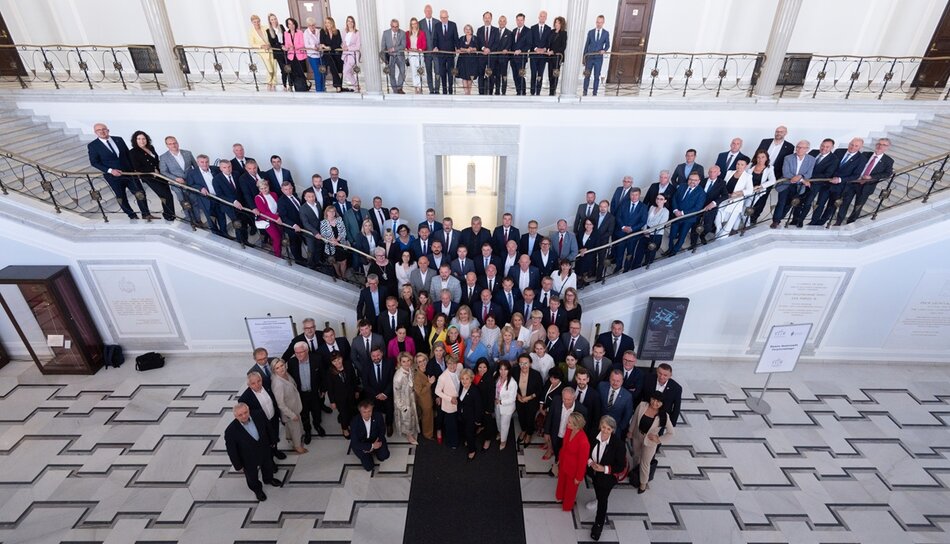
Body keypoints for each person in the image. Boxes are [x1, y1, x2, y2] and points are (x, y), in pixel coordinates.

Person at [87, 123, 154, 220]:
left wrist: (135, 170)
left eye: (104, 129)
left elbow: (128, 154)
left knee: (140, 193)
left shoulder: (119, 139)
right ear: (95, 132)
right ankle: (132, 216)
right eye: (98, 130)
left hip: (129, 173)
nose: (102, 131)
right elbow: (94, 162)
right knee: (121, 197)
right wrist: (110, 170)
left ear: (108, 130)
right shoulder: (93, 145)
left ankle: (146, 214)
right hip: (113, 176)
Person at [224, 403, 281, 501]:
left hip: (264, 449)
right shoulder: (230, 431)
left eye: (245, 412)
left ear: (249, 410)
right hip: (248, 458)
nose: (244, 416)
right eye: (240, 415)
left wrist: (273, 441)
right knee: (252, 476)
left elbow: (268, 427)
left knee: (268, 466)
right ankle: (257, 489)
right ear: (235, 416)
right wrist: (238, 465)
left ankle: (268, 479)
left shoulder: (258, 414)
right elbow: (232, 451)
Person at [836, 138, 894, 225]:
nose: (880, 146)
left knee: (858, 206)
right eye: (879, 143)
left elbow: (887, 173)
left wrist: (871, 177)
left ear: (888, 147)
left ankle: (850, 223)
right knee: (844, 203)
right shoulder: (865, 154)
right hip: (854, 182)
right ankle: (838, 221)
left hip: (867, 186)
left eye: (883, 145)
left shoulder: (888, 160)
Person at [809, 137, 866, 226]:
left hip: (841, 186)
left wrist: (840, 179)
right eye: (851, 144)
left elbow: (856, 175)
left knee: (831, 206)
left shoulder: (861, 159)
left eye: (856, 146)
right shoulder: (839, 151)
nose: (852, 147)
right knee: (819, 203)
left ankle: (822, 222)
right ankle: (813, 221)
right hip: (827, 183)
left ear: (860, 147)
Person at [587, 415, 626, 540]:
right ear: (600, 426)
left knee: (603, 500)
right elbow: (586, 451)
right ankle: (597, 498)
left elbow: (620, 466)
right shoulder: (593, 434)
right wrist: (590, 463)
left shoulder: (618, 444)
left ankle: (598, 524)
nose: (605, 430)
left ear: (612, 430)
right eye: (603, 427)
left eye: (608, 429)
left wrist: (604, 469)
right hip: (593, 473)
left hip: (607, 477)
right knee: (597, 489)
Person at [628, 391, 674, 493]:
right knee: (635, 456)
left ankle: (643, 484)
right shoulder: (642, 405)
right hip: (637, 436)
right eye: (653, 399)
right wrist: (630, 431)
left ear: (662, 403)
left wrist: (659, 439)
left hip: (650, 442)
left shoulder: (664, 416)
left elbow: (671, 433)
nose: (655, 403)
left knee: (645, 463)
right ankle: (635, 473)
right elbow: (635, 418)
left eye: (658, 401)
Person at [750, 125, 794, 224]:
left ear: (785, 133)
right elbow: (756, 155)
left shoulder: (789, 146)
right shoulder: (765, 141)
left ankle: (753, 218)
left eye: (781, 132)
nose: (778, 133)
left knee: (762, 197)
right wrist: (751, 169)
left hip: (772, 175)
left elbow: (785, 162)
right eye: (777, 131)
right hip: (757, 171)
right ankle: (744, 217)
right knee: (749, 193)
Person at [128, 130, 175, 222]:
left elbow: (156, 161)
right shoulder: (133, 152)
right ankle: (169, 216)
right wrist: (152, 170)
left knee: (168, 195)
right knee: (165, 195)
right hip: (150, 177)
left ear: (147, 139)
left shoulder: (151, 147)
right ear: (135, 140)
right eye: (139, 139)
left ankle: (169, 214)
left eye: (143, 138)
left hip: (160, 175)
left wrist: (162, 170)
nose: (142, 141)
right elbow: (137, 167)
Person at [238, 371, 285, 460]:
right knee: (266, 442)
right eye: (253, 383)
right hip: (262, 424)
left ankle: (275, 451)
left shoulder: (267, 384)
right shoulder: (245, 398)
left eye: (259, 381)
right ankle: (270, 460)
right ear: (249, 385)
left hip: (273, 417)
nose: (257, 384)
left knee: (274, 436)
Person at [286, 341, 326, 442]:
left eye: (301, 352)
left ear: (307, 350)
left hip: (314, 393)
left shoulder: (317, 359)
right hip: (300, 395)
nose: (298, 355)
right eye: (296, 352)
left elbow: (323, 376)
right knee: (304, 413)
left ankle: (317, 425)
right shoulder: (291, 362)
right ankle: (307, 430)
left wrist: (323, 389)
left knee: (316, 411)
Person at [773, 140, 816, 228]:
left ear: (807, 149)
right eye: (798, 147)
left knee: (790, 204)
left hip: (799, 187)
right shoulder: (788, 158)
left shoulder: (811, 159)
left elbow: (809, 174)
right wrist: (802, 179)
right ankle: (776, 221)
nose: (799, 149)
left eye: (802, 148)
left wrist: (800, 177)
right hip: (786, 184)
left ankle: (782, 218)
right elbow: (786, 173)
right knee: (781, 203)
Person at [796, 138, 837, 227]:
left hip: (818, 185)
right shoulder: (814, 152)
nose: (824, 148)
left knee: (808, 202)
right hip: (804, 182)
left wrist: (809, 177)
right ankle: (796, 219)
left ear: (832, 148)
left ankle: (803, 221)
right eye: (822, 145)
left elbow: (827, 174)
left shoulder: (834, 159)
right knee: (799, 200)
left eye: (827, 147)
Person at [158, 136, 200, 224]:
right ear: (167, 145)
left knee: (194, 201)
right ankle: (190, 220)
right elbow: (163, 172)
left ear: (177, 143)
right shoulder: (163, 157)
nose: (173, 145)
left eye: (174, 143)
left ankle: (198, 220)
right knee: (184, 203)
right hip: (177, 184)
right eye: (170, 144)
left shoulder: (187, 153)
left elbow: (196, 167)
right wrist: (175, 178)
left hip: (190, 182)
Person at [270, 359, 307, 454]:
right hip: (290, 411)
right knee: (296, 429)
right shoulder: (277, 384)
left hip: (295, 405)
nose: (281, 369)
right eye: (277, 368)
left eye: (282, 365)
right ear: (274, 370)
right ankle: (298, 446)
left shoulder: (286, 374)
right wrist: (291, 415)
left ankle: (289, 438)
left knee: (292, 427)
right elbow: (280, 404)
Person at [665, 172, 706, 256]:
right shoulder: (682, 186)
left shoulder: (701, 193)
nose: (692, 181)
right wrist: (675, 210)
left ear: (698, 181)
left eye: (695, 180)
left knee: (682, 236)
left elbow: (697, 208)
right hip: (676, 216)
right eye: (690, 179)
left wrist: (682, 213)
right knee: (672, 235)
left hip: (688, 218)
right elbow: (674, 198)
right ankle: (670, 248)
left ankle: (674, 251)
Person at [554, 412, 589, 511]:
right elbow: (564, 447)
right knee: (561, 482)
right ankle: (560, 496)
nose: (567, 423)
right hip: (564, 463)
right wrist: (559, 460)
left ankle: (567, 506)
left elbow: (583, 462)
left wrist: (578, 477)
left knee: (571, 490)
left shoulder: (583, 441)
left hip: (573, 470)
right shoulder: (569, 430)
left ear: (576, 425)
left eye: (569, 422)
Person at [361, 347, 395, 435]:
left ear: (382, 354)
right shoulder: (366, 365)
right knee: (374, 411)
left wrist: (384, 394)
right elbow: (365, 384)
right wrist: (377, 394)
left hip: (387, 392)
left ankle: (389, 424)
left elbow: (392, 380)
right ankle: (377, 426)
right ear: (370, 356)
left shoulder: (390, 363)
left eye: (378, 355)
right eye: (373, 356)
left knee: (389, 409)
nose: (376, 358)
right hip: (373, 394)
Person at [630, 193, 669, 270]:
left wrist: (649, 232)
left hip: (656, 235)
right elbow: (646, 220)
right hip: (645, 231)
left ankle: (646, 267)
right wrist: (644, 230)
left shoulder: (665, 211)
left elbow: (660, 225)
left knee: (650, 253)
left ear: (665, 201)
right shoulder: (652, 207)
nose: (658, 200)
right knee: (639, 251)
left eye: (661, 199)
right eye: (657, 198)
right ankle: (634, 267)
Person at [325, 351, 359, 438]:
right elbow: (330, 388)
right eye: (334, 361)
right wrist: (332, 401)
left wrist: (356, 391)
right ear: (332, 362)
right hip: (339, 398)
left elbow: (354, 379)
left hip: (351, 394)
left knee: (352, 410)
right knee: (344, 414)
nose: (337, 362)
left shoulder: (348, 365)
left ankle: (352, 424)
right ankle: (344, 428)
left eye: (339, 359)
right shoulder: (330, 372)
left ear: (342, 358)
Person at [350, 400, 390, 472]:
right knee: (369, 467)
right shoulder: (354, 421)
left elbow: (382, 430)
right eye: (364, 412)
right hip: (362, 443)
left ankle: (376, 452)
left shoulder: (378, 416)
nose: (367, 414)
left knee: (384, 456)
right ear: (360, 412)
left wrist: (378, 441)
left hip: (375, 439)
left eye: (369, 411)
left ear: (372, 410)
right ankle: (370, 454)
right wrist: (370, 446)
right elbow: (355, 442)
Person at [718, 158, 755, 235]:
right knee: (719, 219)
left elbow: (750, 190)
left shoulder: (748, 176)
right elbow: (723, 185)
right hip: (725, 198)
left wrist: (738, 193)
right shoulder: (730, 172)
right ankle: (718, 234)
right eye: (738, 164)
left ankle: (722, 237)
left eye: (742, 165)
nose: (739, 166)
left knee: (729, 223)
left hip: (736, 202)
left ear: (746, 166)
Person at [691, 165, 726, 246]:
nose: (712, 173)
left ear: (719, 173)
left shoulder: (722, 183)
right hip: (699, 206)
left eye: (714, 172)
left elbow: (725, 195)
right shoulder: (702, 181)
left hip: (711, 207)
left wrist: (714, 203)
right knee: (695, 224)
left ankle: (702, 235)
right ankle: (693, 242)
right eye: (710, 171)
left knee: (708, 226)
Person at [515, 354, 544, 446]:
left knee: (530, 418)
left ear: (530, 363)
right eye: (521, 363)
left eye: (526, 363)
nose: (523, 366)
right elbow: (511, 385)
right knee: (521, 416)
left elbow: (539, 390)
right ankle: (523, 430)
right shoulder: (515, 371)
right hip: (519, 399)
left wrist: (528, 397)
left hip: (531, 401)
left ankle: (529, 434)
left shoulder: (536, 374)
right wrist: (518, 396)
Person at [392, 352, 420, 445]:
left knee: (412, 417)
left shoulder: (410, 369)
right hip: (404, 402)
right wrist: (403, 407)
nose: (407, 363)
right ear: (400, 362)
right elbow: (396, 395)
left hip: (411, 398)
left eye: (408, 361)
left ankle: (413, 430)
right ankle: (409, 436)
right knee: (406, 419)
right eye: (404, 361)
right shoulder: (398, 377)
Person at [435, 354, 462, 448]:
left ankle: (459, 438)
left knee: (459, 422)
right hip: (449, 405)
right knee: (451, 425)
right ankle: (452, 443)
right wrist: (450, 399)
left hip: (460, 402)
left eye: (454, 363)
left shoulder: (460, 367)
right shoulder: (442, 377)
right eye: (449, 363)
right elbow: (437, 391)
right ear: (446, 364)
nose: (452, 366)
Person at [598, 370, 633, 436]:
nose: (615, 383)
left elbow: (628, 414)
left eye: (618, 381)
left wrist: (620, 428)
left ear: (622, 381)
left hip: (615, 429)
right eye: (613, 380)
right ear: (609, 379)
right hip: (600, 425)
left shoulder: (627, 396)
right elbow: (596, 405)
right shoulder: (601, 386)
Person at [276, 181, 304, 262]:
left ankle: (301, 257)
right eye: (286, 189)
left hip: (300, 223)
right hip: (292, 226)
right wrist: (294, 225)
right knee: (294, 243)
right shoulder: (281, 201)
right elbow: (283, 217)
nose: (289, 191)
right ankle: (298, 260)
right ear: (282, 190)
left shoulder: (294, 195)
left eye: (290, 188)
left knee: (299, 242)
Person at [458, 368, 483, 459]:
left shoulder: (474, 391)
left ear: (471, 379)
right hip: (462, 415)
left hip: (471, 417)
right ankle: (468, 441)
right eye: (462, 379)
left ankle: (472, 450)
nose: (464, 381)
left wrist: (477, 420)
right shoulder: (461, 387)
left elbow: (478, 407)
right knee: (464, 432)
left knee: (469, 434)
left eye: (467, 378)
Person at [432, 10, 458, 94]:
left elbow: (456, 38)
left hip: (450, 53)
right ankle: (444, 90)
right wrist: (435, 47)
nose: (444, 19)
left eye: (445, 17)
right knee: (442, 72)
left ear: (448, 17)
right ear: (440, 18)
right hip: (441, 54)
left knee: (451, 72)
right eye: (442, 17)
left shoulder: (453, 25)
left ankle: (450, 89)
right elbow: (435, 39)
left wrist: (457, 48)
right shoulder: (437, 26)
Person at [253, 179, 282, 256]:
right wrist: (276, 217)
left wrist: (278, 215)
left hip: (277, 218)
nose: (264, 190)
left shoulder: (274, 194)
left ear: (268, 186)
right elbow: (263, 212)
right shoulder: (258, 198)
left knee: (280, 236)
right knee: (277, 238)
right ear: (259, 189)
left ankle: (278, 249)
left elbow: (278, 206)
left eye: (265, 187)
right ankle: (277, 255)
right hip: (268, 221)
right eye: (261, 188)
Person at [582, 15, 609, 96]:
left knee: (597, 76)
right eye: (597, 22)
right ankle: (585, 91)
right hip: (589, 57)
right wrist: (584, 58)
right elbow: (586, 45)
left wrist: (604, 50)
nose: (599, 24)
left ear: (603, 23)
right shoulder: (590, 32)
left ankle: (595, 92)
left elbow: (607, 45)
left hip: (598, 58)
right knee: (587, 75)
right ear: (596, 22)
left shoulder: (606, 33)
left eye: (600, 22)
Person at [474, 359, 498, 449]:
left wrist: (489, 409)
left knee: (488, 422)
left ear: (488, 368)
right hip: (477, 404)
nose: (482, 369)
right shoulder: (474, 375)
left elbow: (491, 395)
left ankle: (487, 439)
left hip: (486, 404)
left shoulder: (489, 378)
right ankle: (481, 426)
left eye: (484, 367)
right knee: (479, 418)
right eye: (480, 367)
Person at [494, 360, 518, 449]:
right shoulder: (496, 377)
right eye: (501, 369)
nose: (503, 372)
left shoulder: (513, 383)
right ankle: (500, 433)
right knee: (498, 420)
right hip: (497, 405)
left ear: (509, 370)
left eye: (505, 369)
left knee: (505, 424)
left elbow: (512, 399)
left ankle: (503, 441)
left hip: (506, 407)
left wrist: (501, 402)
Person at [320, 204, 349, 279]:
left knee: (343, 262)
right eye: (330, 211)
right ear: (326, 212)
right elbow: (323, 235)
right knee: (335, 262)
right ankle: (339, 275)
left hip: (341, 244)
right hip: (331, 246)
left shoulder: (339, 219)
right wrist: (332, 240)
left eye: (333, 211)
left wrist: (338, 239)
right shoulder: (323, 223)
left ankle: (343, 276)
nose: (332, 213)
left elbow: (344, 231)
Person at [249, 15, 277, 91]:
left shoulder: (265, 28)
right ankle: (269, 82)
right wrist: (261, 46)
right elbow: (252, 44)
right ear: (252, 22)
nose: (257, 23)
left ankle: (273, 83)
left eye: (258, 21)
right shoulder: (251, 32)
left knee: (274, 67)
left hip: (272, 50)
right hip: (263, 52)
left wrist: (270, 44)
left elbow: (272, 37)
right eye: (255, 22)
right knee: (269, 69)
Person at [412, 352, 435, 440]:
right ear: (416, 363)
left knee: (430, 416)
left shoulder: (428, 369)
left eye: (424, 360)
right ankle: (428, 434)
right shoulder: (417, 376)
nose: (422, 363)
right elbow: (420, 392)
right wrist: (429, 383)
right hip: (424, 400)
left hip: (431, 396)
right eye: (419, 362)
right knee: (427, 418)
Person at [381, 18, 406, 94]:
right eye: (393, 26)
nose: (395, 28)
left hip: (399, 55)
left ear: (398, 26)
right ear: (390, 26)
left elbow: (403, 45)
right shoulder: (385, 33)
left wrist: (394, 49)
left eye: (397, 26)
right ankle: (395, 89)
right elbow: (383, 46)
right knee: (391, 73)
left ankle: (399, 88)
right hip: (390, 56)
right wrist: (385, 56)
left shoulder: (402, 33)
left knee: (402, 71)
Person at [529, 11, 551, 95]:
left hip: (543, 56)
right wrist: (536, 49)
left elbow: (548, 42)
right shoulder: (533, 28)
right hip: (534, 55)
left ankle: (538, 92)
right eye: (541, 16)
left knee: (540, 74)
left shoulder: (548, 29)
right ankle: (532, 91)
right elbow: (531, 41)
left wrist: (544, 49)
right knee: (533, 73)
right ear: (538, 17)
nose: (542, 18)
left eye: (544, 16)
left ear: (546, 18)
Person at [511, 13, 533, 95]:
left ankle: (522, 92)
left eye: (521, 20)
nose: (519, 22)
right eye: (518, 20)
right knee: (515, 76)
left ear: (524, 20)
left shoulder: (528, 31)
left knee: (521, 76)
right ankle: (518, 91)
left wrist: (521, 50)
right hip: (513, 58)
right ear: (516, 20)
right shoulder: (513, 31)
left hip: (522, 58)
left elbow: (529, 44)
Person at [418, 5, 438, 94]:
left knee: (438, 71)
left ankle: (437, 89)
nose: (428, 12)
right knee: (428, 72)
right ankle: (431, 89)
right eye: (427, 11)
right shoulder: (420, 23)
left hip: (437, 51)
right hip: (426, 52)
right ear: (424, 12)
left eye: (430, 11)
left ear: (432, 11)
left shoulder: (437, 22)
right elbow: (418, 37)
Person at [321, 17, 345, 92]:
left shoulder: (337, 31)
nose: (327, 24)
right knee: (333, 67)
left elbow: (338, 43)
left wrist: (330, 47)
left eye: (328, 22)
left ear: (332, 23)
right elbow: (322, 42)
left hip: (336, 53)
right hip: (327, 54)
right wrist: (325, 47)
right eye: (326, 22)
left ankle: (339, 85)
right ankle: (338, 86)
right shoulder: (323, 31)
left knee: (340, 69)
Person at [283, 18, 307, 91]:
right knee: (292, 72)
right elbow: (286, 44)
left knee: (301, 72)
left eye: (293, 24)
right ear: (287, 25)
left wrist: (294, 47)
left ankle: (303, 87)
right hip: (291, 56)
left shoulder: (300, 32)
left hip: (300, 55)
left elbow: (303, 44)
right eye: (289, 24)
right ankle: (295, 87)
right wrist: (286, 47)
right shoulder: (286, 33)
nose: (291, 25)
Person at [266, 14, 288, 89]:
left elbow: (286, 37)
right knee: (283, 69)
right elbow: (272, 43)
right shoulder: (268, 31)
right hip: (278, 52)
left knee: (289, 68)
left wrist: (286, 45)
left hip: (286, 50)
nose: (274, 21)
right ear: (269, 21)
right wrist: (281, 46)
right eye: (272, 19)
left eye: (275, 19)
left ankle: (291, 84)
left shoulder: (281, 27)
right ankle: (285, 85)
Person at [492, 15, 513, 95]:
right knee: (496, 75)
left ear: (506, 22)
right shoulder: (494, 31)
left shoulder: (509, 33)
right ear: (498, 22)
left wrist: (507, 49)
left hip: (504, 58)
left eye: (504, 21)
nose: (502, 22)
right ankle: (497, 90)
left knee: (504, 75)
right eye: (500, 21)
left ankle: (503, 91)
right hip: (495, 57)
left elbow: (510, 44)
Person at [303, 17, 325, 92]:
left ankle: (323, 88)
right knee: (317, 73)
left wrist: (321, 45)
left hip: (320, 55)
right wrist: (313, 47)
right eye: (310, 25)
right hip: (312, 56)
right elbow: (306, 45)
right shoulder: (306, 33)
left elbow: (322, 41)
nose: (312, 27)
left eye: (313, 25)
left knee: (323, 72)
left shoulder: (318, 31)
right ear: (308, 25)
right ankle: (319, 90)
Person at [547, 16, 567, 95]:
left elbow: (563, 47)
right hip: (550, 57)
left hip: (557, 57)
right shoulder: (551, 32)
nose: (556, 24)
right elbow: (548, 42)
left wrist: (553, 51)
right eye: (555, 22)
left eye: (558, 23)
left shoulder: (563, 33)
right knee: (549, 75)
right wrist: (548, 49)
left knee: (555, 74)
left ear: (562, 24)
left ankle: (553, 91)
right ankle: (551, 90)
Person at [456, 24, 479, 95]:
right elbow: (459, 48)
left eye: (469, 29)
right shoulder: (461, 38)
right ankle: (466, 93)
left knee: (470, 77)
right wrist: (467, 49)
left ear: (471, 30)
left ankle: (469, 92)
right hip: (463, 60)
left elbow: (477, 47)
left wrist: (472, 49)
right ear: (464, 30)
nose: (468, 30)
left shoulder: (475, 38)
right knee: (464, 76)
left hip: (472, 61)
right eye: (466, 29)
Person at [406, 17, 427, 94]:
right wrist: (408, 48)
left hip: (419, 53)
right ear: (410, 25)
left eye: (415, 23)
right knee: (413, 71)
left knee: (419, 71)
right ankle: (416, 87)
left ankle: (420, 86)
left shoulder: (421, 33)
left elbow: (424, 44)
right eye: (412, 24)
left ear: (417, 24)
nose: (414, 25)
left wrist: (419, 49)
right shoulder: (407, 33)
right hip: (411, 54)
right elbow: (406, 44)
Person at [340, 16, 360, 92]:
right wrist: (343, 46)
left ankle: (356, 85)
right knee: (349, 72)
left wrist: (348, 48)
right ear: (346, 22)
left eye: (351, 21)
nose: (350, 23)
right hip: (345, 54)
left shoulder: (357, 33)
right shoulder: (344, 32)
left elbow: (358, 46)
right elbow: (342, 43)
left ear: (354, 23)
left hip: (353, 54)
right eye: (348, 21)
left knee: (345, 71)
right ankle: (356, 86)